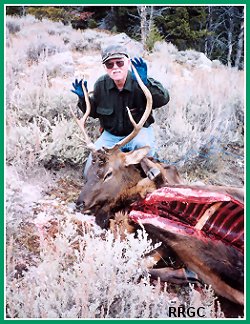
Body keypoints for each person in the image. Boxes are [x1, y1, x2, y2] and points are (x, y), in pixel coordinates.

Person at [71, 44, 169, 177]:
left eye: (119, 62)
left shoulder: (139, 80)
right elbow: (94, 112)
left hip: (138, 134)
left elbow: (163, 99)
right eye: (110, 64)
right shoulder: (101, 85)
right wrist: (83, 99)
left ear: (128, 62)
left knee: (148, 168)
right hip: (111, 137)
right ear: (105, 68)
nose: (115, 67)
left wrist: (145, 82)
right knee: (90, 172)